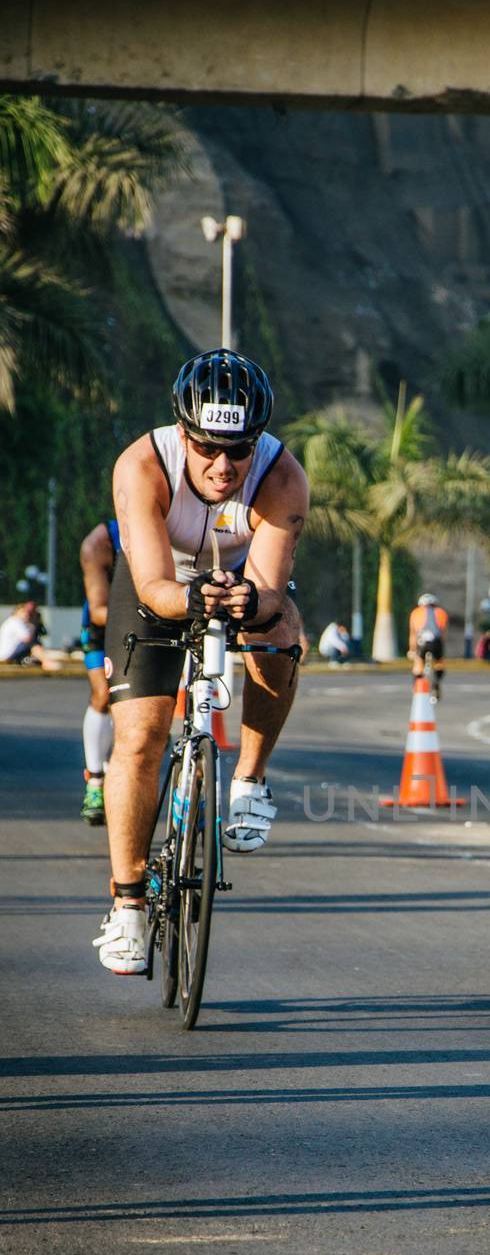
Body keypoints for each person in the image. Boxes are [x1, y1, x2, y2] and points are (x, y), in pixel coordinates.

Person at [93, 347, 308, 975]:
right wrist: (190, 598)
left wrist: (252, 600)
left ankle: (248, 779)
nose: (221, 464)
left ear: (257, 443)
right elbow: (156, 584)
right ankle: (128, 903)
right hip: (160, 581)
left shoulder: (283, 477)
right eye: (206, 446)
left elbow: (269, 584)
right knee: (140, 738)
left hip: (241, 577)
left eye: (238, 449)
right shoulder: (142, 466)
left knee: (285, 625)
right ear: (182, 434)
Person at [78, 517, 121, 823]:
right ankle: (95, 779)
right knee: (104, 694)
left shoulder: (173, 523)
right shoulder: (99, 543)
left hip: (157, 617)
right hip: (104, 624)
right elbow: (98, 609)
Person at [408, 592, 449, 694]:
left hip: (422, 641)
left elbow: (413, 634)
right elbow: (443, 634)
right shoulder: (441, 612)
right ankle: (436, 683)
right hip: (436, 641)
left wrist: (412, 649)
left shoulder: (415, 613)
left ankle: (417, 686)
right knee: (439, 662)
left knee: (418, 663)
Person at [0, 600, 49, 665]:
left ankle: (41, 660)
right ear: (16, 612)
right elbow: (27, 640)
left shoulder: (12, 621)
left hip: (6, 655)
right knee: (32, 642)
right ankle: (47, 662)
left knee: (32, 644)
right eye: (23, 612)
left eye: (27, 613)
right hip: (7, 655)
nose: (26, 614)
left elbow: (44, 632)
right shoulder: (16, 621)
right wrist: (34, 625)